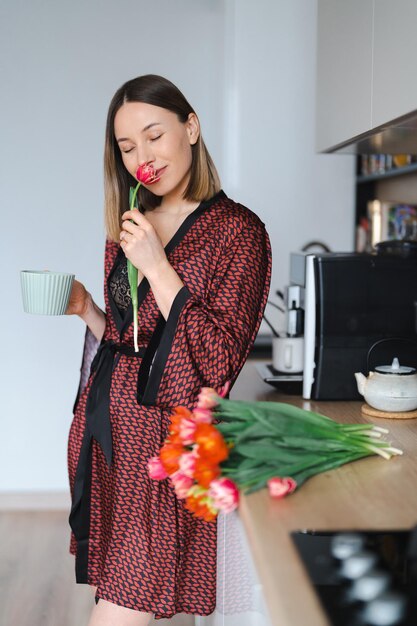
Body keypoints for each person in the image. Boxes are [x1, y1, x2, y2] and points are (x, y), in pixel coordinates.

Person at [66, 74, 272, 626]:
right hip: (108, 438)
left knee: (120, 613)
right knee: (123, 601)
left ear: (191, 127)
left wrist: (158, 266)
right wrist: (88, 309)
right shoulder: (127, 226)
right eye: (127, 147)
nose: (142, 159)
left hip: (164, 451)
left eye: (154, 136)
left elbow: (220, 359)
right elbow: (133, 340)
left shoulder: (240, 233)